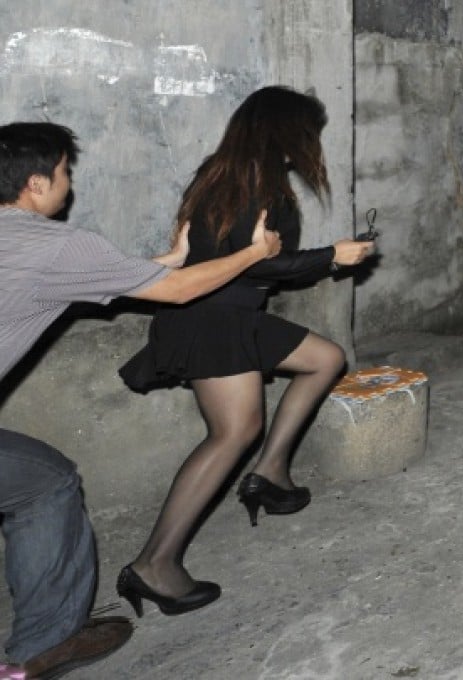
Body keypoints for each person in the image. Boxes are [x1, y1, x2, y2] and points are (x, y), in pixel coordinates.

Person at [0, 122, 282, 678]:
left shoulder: (21, 243)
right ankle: (45, 644)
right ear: (36, 183)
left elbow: (119, 278)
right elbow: (175, 294)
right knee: (47, 485)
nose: (69, 183)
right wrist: (254, 254)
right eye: (64, 172)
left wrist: (172, 259)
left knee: (42, 478)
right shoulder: (56, 244)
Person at [116, 86, 375, 617]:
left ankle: (270, 473)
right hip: (216, 319)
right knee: (232, 433)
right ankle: (153, 565)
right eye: (308, 130)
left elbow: (229, 257)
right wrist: (333, 256)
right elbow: (254, 262)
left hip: (231, 312)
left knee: (324, 357)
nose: (310, 143)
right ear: (284, 129)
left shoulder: (223, 169)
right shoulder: (260, 181)